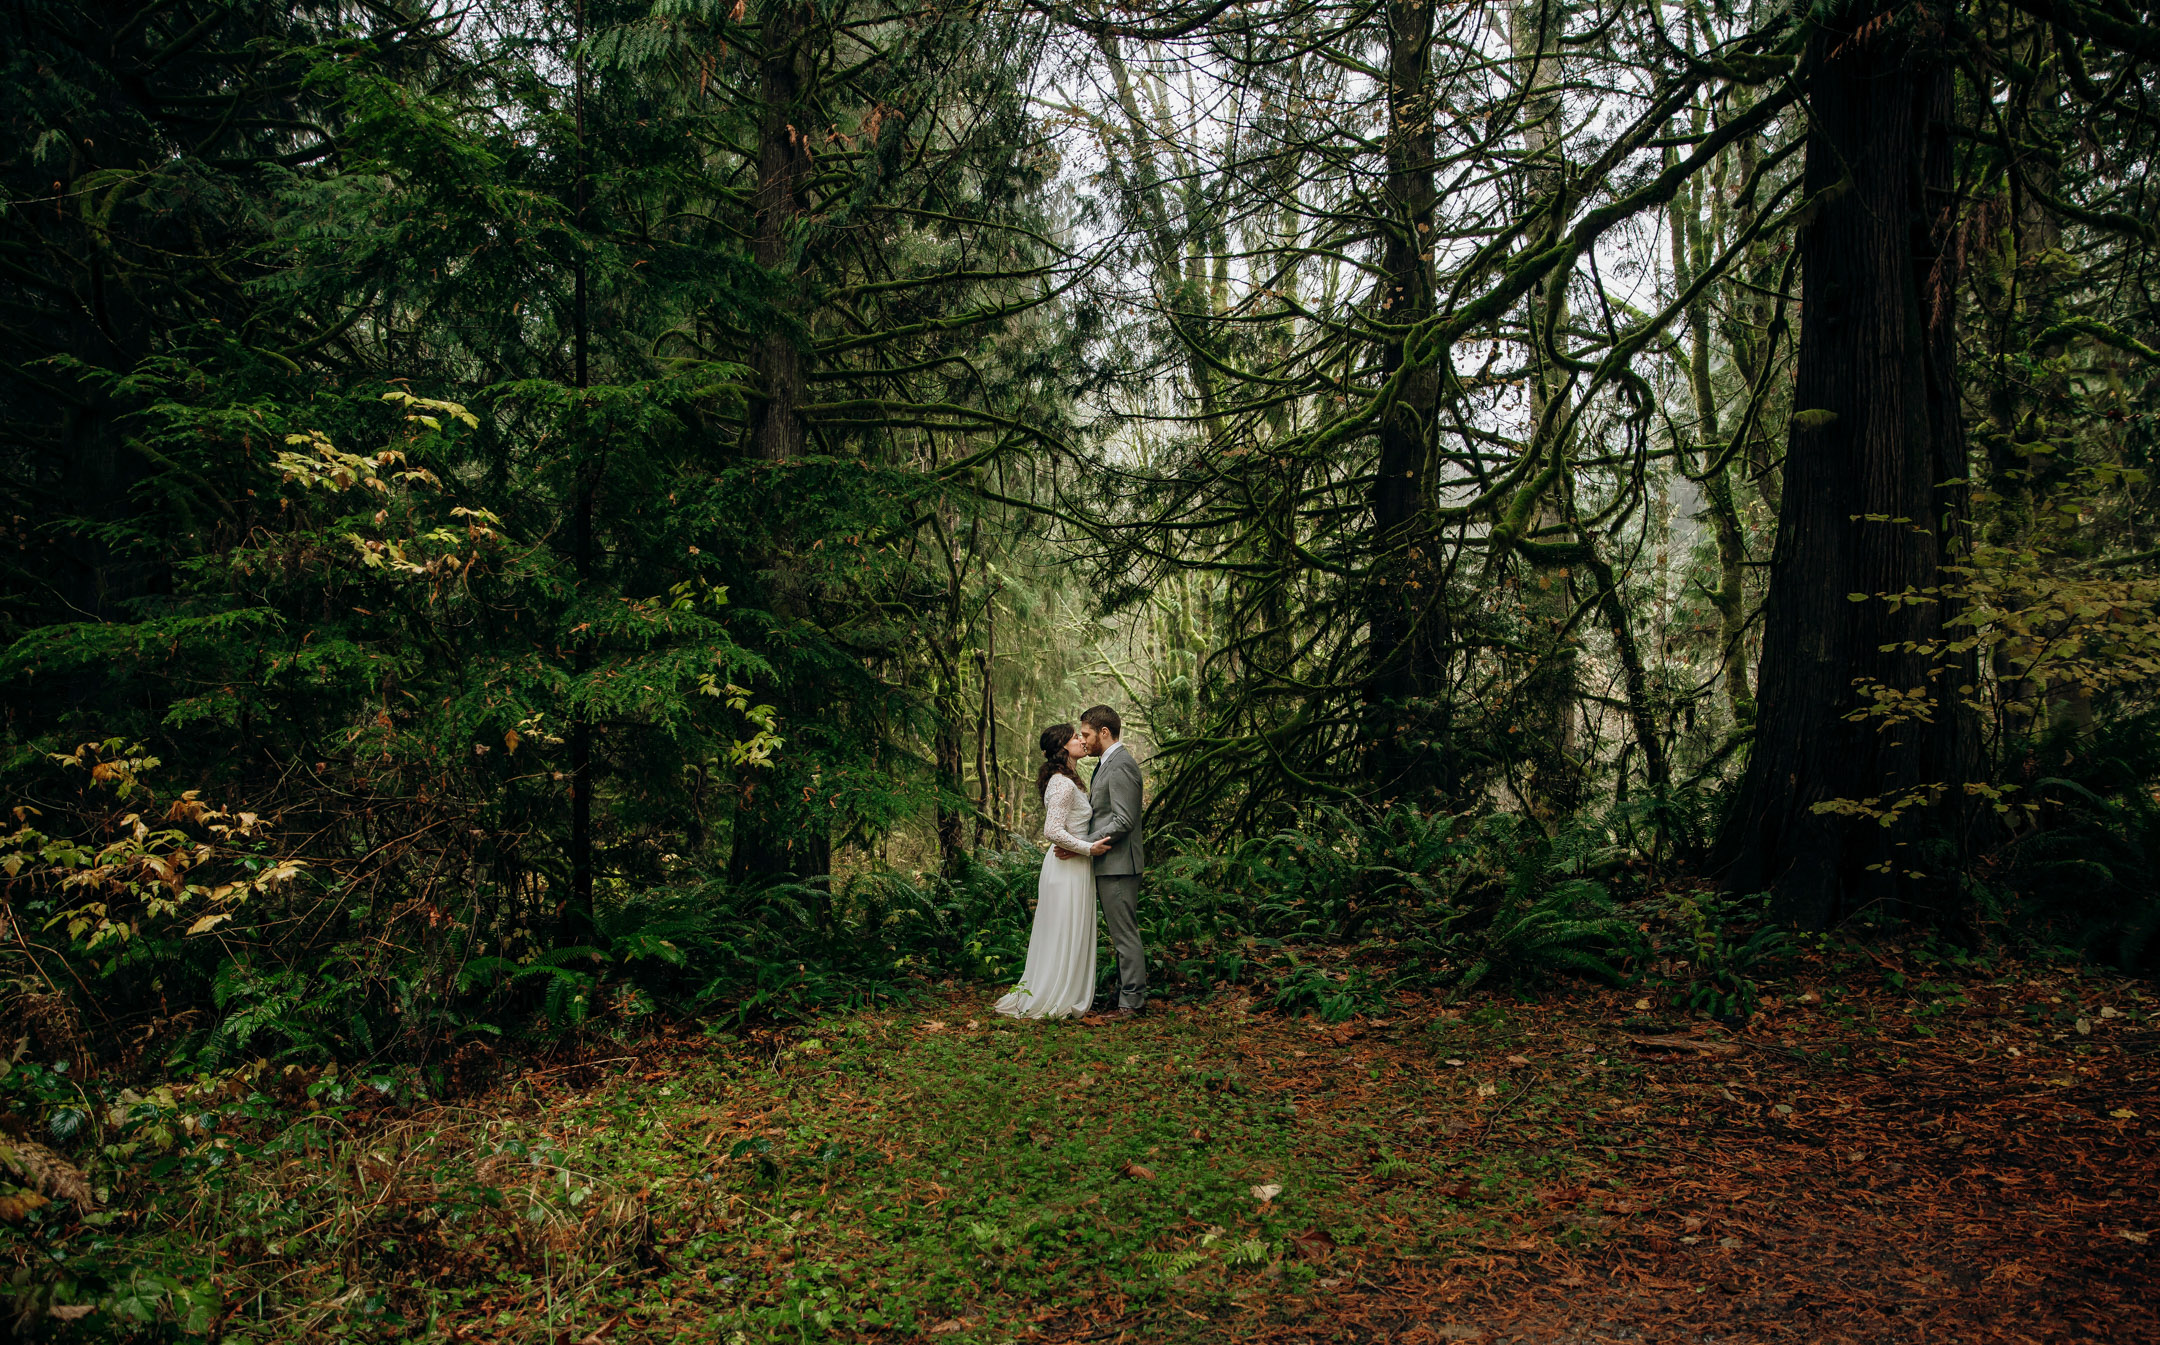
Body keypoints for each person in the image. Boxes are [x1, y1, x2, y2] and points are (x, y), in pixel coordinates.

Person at [991, 724, 1101, 1019]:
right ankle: (1055, 994)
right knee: (1062, 930)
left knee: (1068, 930)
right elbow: (1052, 830)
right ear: (1063, 747)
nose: (1081, 739)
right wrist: (1088, 849)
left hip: (1072, 865)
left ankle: (1066, 989)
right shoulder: (1063, 783)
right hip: (1067, 866)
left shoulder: (1067, 780)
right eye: (1075, 737)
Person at [1064, 704, 1146, 1017]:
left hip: (1120, 866)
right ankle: (1123, 994)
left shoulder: (1121, 764)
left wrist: (1082, 843)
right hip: (1110, 865)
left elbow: (1124, 820)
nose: (1082, 740)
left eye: (1086, 734)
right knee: (1119, 933)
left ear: (1104, 732)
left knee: (1125, 935)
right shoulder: (1105, 763)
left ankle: (1131, 1002)